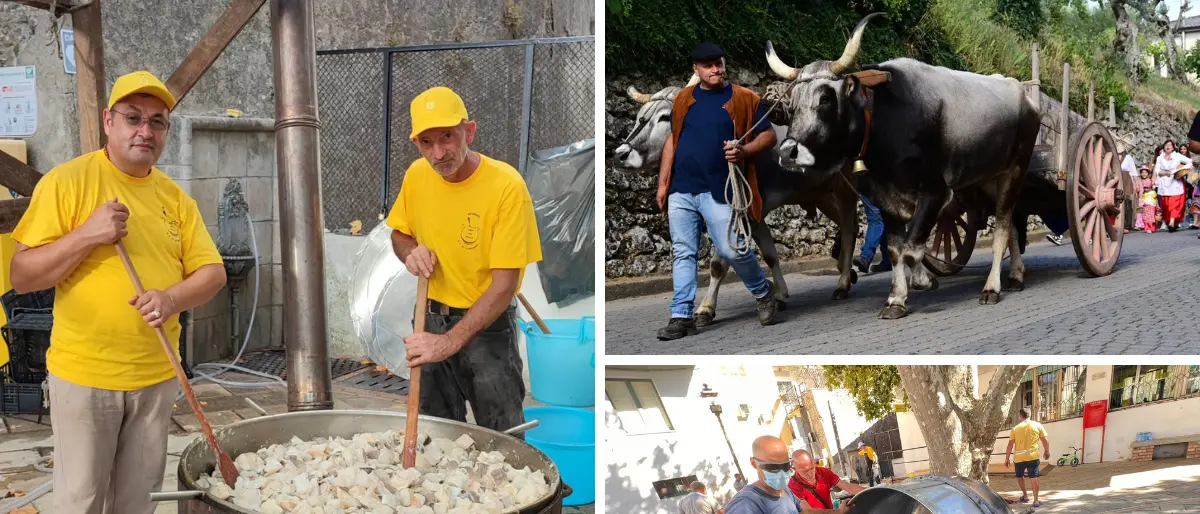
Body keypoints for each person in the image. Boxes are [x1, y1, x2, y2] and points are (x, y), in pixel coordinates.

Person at [9, 70, 227, 514]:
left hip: (156, 377)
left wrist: (170, 299)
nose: (145, 130)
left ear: (166, 131)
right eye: (133, 118)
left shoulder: (175, 199)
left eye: (157, 121)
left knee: (138, 501)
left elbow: (212, 273)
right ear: (109, 121)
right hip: (85, 378)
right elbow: (22, 276)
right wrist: (88, 234)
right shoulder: (68, 182)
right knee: (81, 500)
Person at [388, 86, 542, 436]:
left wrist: (448, 342)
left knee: (502, 436)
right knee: (437, 430)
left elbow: (504, 285)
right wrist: (410, 252)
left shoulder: (506, 187)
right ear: (416, 144)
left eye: (447, 137)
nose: (438, 153)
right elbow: (398, 233)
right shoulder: (416, 176)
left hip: (488, 326)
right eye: (426, 142)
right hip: (428, 316)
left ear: (469, 132)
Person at [656, 41, 779, 340]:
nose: (715, 69)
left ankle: (763, 292)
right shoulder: (683, 99)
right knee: (683, 252)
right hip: (682, 189)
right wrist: (663, 184)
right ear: (696, 69)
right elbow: (672, 140)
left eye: (719, 64)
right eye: (708, 65)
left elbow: (769, 136)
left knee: (731, 249)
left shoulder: (745, 98)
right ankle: (681, 315)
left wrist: (744, 150)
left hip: (720, 189)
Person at [725, 436, 847, 514]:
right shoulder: (746, 503)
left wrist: (838, 512)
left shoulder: (785, 491)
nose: (781, 473)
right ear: (754, 463)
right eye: (773, 467)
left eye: (785, 466)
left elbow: (804, 512)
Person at [788, 449, 862, 511]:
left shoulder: (824, 472)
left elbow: (848, 487)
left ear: (813, 462)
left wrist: (868, 491)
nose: (810, 474)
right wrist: (838, 512)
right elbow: (808, 511)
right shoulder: (792, 485)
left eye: (812, 468)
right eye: (805, 471)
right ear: (795, 469)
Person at [1005, 408, 1050, 508]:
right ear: (1030, 415)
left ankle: (1025, 496)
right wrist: (1047, 451)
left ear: (1020, 417)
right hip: (1033, 457)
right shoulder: (1038, 425)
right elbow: (1045, 441)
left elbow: (1010, 445)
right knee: (1034, 478)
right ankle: (1036, 500)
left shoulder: (1015, 429)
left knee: (1020, 477)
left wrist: (1007, 458)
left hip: (1019, 459)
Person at [1154, 139, 1191, 232]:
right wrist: (1165, 173)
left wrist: (1180, 170)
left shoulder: (1177, 156)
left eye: (1170, 145)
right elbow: (1157, 170)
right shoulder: (1159, 158)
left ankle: (1172, 222)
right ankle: (1172, 223)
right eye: (1166, 144)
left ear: (1173, 148)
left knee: (1175, 204)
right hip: (1164, 185)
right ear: (1164, 147)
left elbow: (1189, 162)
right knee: (1166, 206)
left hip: (1175, 183)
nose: (1168, 146)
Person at [853, 195, 892, 274]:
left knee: (875, 218)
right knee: (883, 217)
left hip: (869, 189)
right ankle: (888, 260)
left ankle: (866, 257)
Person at [1140, 168, 1160, 234]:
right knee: (1146, 217)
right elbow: (1142, 200)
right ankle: (1147, 228)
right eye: (1145, 188)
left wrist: (1157, 205)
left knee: (1152, 218)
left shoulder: (1153, 193)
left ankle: (1152, 228)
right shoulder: (1144, 194)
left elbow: (1156, 199)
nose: (1146, 189)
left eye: (1147, 187)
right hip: (1146, 206)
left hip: (1152, 206)